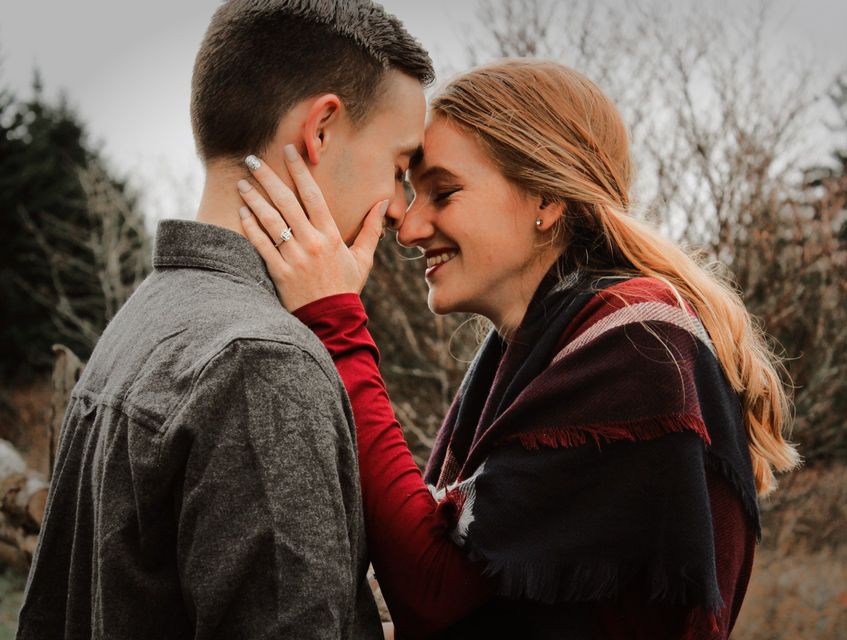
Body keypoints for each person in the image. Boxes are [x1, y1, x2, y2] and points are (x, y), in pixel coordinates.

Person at [238, 60, 802, 639]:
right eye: (413, 193)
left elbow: (432, 590)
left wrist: (336, 324)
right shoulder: (535, 348)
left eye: (444, 192)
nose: (406, 228)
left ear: (546, 199)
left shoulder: (638, 342)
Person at [17, 1, 433, 638]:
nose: (403, 212)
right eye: (400, 168)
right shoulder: (262, 361)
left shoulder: (143, 319)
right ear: (320, 130)